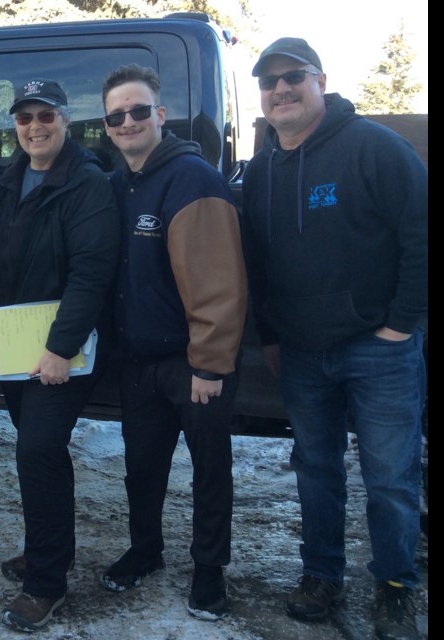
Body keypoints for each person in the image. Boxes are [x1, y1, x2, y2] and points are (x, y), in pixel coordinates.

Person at [241, 38, 427, 640]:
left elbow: (421, 236)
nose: (281, 89)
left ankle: (396, 585)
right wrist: (269, 334)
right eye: (269, 82)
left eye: (293, 76)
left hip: (380, 348)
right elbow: (259, 263)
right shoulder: (264, 169)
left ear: (321, 80)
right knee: (315, 470)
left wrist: (400, 323)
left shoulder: (375, 148)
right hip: (300, 353)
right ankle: (321, 575)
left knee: (391, 477)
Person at [99, 64, 248, 621]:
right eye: (117, 115)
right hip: (138, 361)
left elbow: (219, 284)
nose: (129, 121)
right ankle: (145, 551)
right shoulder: (118, 184)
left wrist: (210, 366)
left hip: (193, 363)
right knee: (143, 466)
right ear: (108, 127)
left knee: (209, 469)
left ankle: (209, 572)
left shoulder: (193, 179)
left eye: (140, 110)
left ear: (160, 115)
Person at [0, 78, 120, 632]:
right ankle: (47, 549)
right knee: (35, 452)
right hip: (14, 345)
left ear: (66, 121)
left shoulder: (86, 184)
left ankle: (45, 583)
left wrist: (60, 349)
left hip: (60, 350)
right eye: (25, 118)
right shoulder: (8, 178)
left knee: (38, 450)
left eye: (46, 116)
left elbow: (92, 274)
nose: (35, 127)